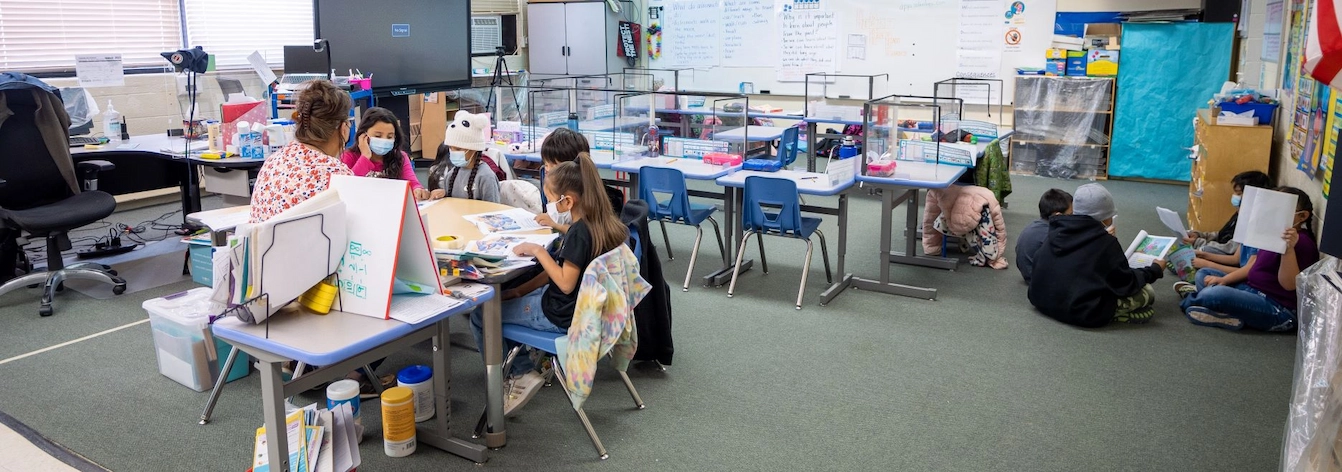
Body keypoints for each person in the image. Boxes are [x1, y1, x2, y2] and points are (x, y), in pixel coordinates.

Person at [469, 154, 629, 415]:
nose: (548, 205)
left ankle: (520, 373)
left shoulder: (579, 232)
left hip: (560, 313)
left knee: (481, 315)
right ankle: (519, 367)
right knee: (508, 296)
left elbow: (565, 283)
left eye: (551, 199)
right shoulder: (602, 223)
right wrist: (521, 289)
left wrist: (538, 251)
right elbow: (568, 264)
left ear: (568, 201)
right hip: (586, 309)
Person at [1174, 187, 1320, 332]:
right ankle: (1222, 311)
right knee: (1204, 274)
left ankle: (1195, 300)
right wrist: (1225, 279)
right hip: (1252, 289)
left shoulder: (1302, 243)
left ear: (1302, 216)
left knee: (1215, 294)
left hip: (1277, 308)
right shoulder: (1271, 233)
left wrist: (1288, 250)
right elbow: (1252, 265)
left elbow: (1289, 285)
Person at [1028, 183, 1166, 327]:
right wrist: (1154, 270)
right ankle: (1119, 315)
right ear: (1104, 217)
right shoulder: (1106, 242)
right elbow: (1125, 283)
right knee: (1147, 292)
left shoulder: (1056, 229)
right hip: (1082, 313)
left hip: (1040, 300)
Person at [250, 80, 352, 223]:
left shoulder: (274, 160)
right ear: (343, 128)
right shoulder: (336, 174)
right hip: (304, 244)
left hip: (262, 244)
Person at [534, 128, 625, 233]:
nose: (548, 170)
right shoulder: (554, 188)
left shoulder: (599, 200)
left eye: (555, 166)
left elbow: (587, 235)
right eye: (545, 165)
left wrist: (556, 225)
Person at [339, 107, 428, 200]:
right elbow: (347, 188)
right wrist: (365, 157)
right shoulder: (348, 157)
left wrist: (418, 190)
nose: (384, 140)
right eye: (378, 136)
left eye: (389, 137)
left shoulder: (400, 157)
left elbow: (413, 183)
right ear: (363, 135)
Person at [1183, 170, 1272, 257]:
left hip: (1227, 255)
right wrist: (1199, 235)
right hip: (1221, 248)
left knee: (1204, 250)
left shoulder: (1251, 221)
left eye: (1239, 193)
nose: (1234, 196)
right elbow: (1221, 235)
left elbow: (1230, 249)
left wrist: (1198, 242)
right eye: (1235, 192)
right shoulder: (1238, 214)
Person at [427, 110, 501, 203]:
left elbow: (494, 211)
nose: (453, 152)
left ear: (474, 149)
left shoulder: (486, 177)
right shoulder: (451, 175)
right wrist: (443, 194)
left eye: (458, 149)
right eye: (450, 148)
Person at [1015, 188, 1072, 283]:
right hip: (1042, 280)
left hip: (1029, 273)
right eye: (1071, 214)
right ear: (1058, 216)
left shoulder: (1035, 226)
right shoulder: (1053, 234)